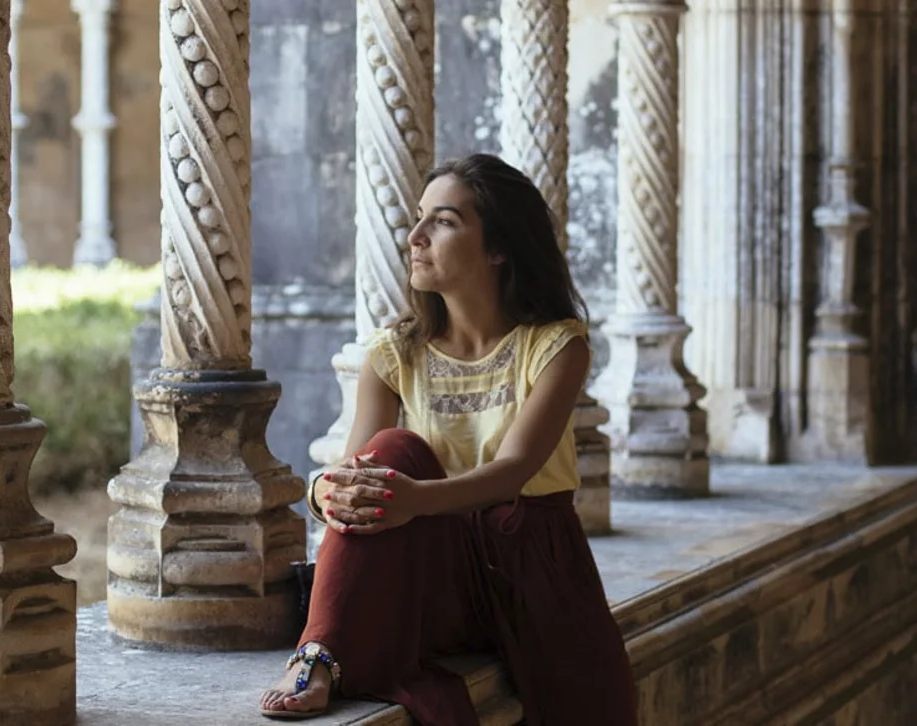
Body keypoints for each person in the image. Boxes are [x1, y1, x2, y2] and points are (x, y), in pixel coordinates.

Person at [257, 154, 638, 724]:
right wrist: (326, 494)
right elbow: (349, 470)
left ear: (499, 248)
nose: (414, 237)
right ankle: (316, 653)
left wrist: (410, 499)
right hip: (441, 569)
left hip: (532, 564)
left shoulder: (556, 346)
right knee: (389, 453)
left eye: (443, 221)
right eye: (417, 219)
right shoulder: (394, 354)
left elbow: (514, 471)